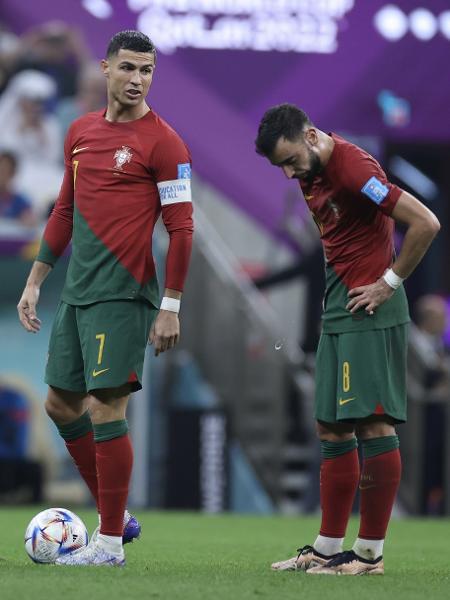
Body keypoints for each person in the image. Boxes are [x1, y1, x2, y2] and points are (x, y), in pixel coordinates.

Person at [17, 30, 194, 567]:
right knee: (59, 405)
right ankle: (114, 517)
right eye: (128, 68)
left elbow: (182, 229)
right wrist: (35, 280)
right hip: (77, 293)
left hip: (125, 292)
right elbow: (64, 212)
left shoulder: (166, 143)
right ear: (106, 69)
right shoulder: (79, 132)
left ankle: (110, 545)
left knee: (104, 407)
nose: (137, 79)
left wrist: (171, 304)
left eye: (147, 71)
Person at [255, 104, 440, 575]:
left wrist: (388, 283)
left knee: (374, 426)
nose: (288, 173)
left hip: (371, 311)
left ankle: (369, 555)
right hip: (338, 313)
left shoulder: (355, 167)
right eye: (280, 166)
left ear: (312, 135)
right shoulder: (308, 171)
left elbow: (425, 223)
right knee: (332, 429)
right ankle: (325, 547)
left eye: (291, 160)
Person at [0, 150, 37, 227]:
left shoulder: (20, 201)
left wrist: (28, 220)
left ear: (12, 173)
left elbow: (31, 220)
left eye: (4, 170)